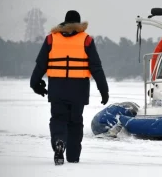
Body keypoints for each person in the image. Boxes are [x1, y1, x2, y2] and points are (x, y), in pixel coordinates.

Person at [30, 10, 109, 166]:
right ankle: (73, 157)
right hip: (78, 89)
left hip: (57, 88)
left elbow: (40, 65)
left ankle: (59, 142)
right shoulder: (86, 40)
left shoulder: (51, 39)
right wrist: (103, 90)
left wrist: (35, 83)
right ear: (79, 24)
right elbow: (96, 68)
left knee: (58, 119)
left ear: (64, 23)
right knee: (75, 123)